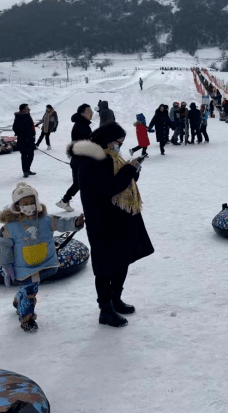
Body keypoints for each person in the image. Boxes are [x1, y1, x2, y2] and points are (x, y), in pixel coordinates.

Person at [68, 122, 154, 327]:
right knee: (105, 266)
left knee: (122, 259)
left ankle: (116, 299)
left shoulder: (109, 157)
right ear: (107, 139)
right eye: (118, 142)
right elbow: (109, 188)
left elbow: (123, 184)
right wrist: (128, 170)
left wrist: (134, 170)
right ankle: (105, 309)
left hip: (119, 217)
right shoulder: (90, 161)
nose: (120, 146)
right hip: (102, 221)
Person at [0, 182, 84, 332]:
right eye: (25, 203)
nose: (29, 206)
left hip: (44, 262)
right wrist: (6, 265)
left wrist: (75, 222)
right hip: (23, 268)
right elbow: (3, 247)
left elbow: (61, 223)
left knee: (29, 288)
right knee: (31, 292)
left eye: (32, 202)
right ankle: (26, 318)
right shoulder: (10, 227)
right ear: (17, 206)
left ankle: (19, 299)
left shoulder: (46, 220)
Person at [57, 103, 93, 212]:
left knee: (78, 183)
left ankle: (64, 200)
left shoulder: (82, 124)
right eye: (88, 111)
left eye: (91, 111)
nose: (91, 113)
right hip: (81, 160)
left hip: (78, 159)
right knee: (83, 183)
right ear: (82, 113)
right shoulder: (81, 126)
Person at [13, 103, 37, 178]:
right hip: (25, 139)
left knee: (30, 155)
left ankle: (27, 170)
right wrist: (23, 136)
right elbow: (15, 128)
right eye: (27, 108)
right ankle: (25, 171)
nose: (29, 109)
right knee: (25, 155)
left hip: (28, 138)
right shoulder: (21, 116)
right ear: (23, 109)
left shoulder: (26, 116)